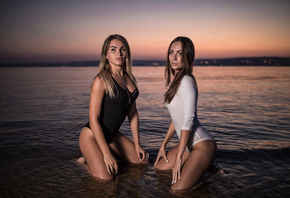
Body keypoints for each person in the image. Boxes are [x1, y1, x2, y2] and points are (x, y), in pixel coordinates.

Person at [78, 34, 149, 181]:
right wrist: (106, 153)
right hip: (91, 136)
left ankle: (101, 157)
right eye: (113, 49)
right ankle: (83, 163)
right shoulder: (101, 80)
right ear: (106, 55)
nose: (119, 53)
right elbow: (93, 120)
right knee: (107, 180)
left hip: (112, 136)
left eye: (123, 49)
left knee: (142, 163)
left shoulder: (130, 79)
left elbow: (133, 114)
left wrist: (137, 145)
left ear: (127, 53)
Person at [154, 36, 217, 193]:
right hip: (188, 144)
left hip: (202, 145)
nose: (174, 57)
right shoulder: (175, 81)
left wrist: (179, 157)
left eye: (179, 53)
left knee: (177, 190)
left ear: (187, 56)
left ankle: (212, 176)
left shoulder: (187, 81)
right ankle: (204, 167)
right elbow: (176, 117)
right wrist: (164, 144)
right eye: (171, 52)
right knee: (160, 168)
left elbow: (188, 121)